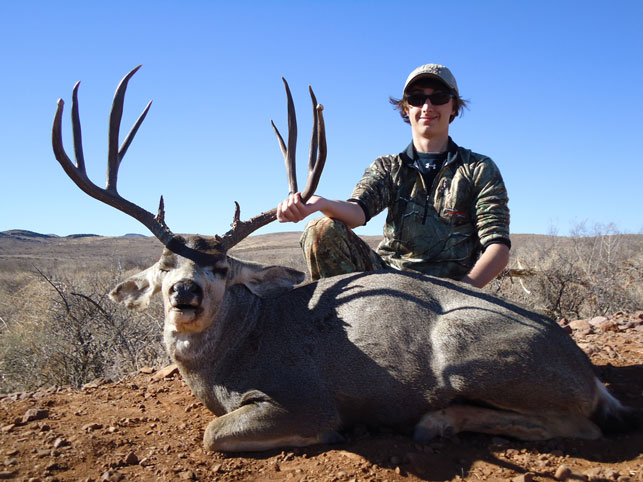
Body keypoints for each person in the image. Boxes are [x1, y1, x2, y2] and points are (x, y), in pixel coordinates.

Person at [276, 63, 510, 288]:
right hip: (390, 284)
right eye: (417, 99)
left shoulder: (478, 168)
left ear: (454, 107)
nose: (427, 107)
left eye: (438, 97)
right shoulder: (388, 167)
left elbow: (497, 247)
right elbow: (358, 211)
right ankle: (336, 326)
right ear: (406, 108)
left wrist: (461, 294)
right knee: (320, 230)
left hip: (451, 292)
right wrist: (321, 203)